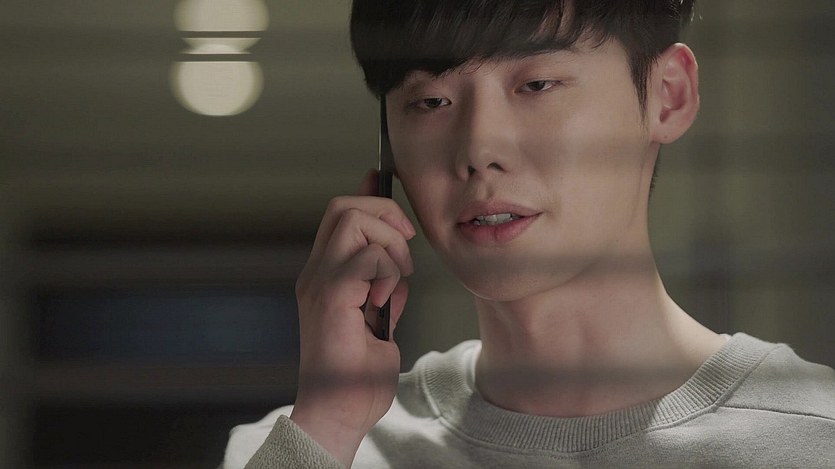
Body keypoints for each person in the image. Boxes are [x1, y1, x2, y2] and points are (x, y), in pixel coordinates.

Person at [223, 1, 835, 467]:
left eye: (536, 86)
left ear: (668, 96)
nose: (478, 149)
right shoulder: (313, 446)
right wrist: (329, 425)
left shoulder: (813, 438)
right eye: (431, 102)